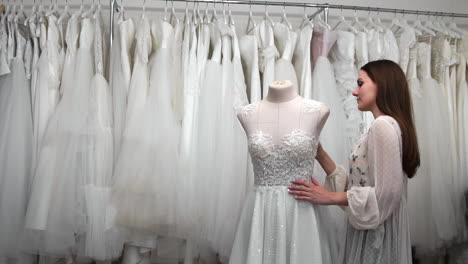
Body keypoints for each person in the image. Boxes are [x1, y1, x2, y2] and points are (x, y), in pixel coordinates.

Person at [288, 60, 420, 264]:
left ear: (381, 85)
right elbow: (362, 183)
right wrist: (321, 155)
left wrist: (330, 197)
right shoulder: (387, 125)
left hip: (376, 238)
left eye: (360, 83)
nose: (354, 92)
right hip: (375, 231)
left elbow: (385, 196)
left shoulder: (382, 126)